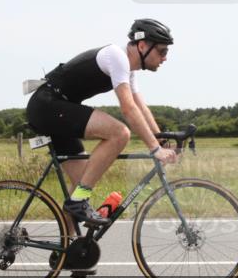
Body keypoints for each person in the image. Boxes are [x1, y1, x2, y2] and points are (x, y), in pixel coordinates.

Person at [26, 19, 178, 226]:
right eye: (162, 51)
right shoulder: (117, 57)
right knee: (119, 133)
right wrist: (154, 149)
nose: (165, 58)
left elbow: (141, 107)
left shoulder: (128, 70)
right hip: (48, 106)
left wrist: (161, 139)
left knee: (83, 180)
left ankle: (67, 250)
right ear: (142, 46)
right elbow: (128, 108)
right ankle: (79, 200)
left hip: (57, 110)